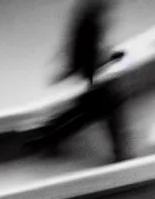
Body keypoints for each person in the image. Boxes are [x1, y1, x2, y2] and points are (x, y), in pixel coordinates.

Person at [32, 0, 129, 162]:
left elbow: (84, 51)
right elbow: (86, 55)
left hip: (89, 75)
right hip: (91, 77)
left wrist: (109, 58)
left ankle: (47, 137)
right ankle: (120, 154)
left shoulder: (89, 18)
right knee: (106, 108)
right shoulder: (91, 22)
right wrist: (104, 65)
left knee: (85, 113)